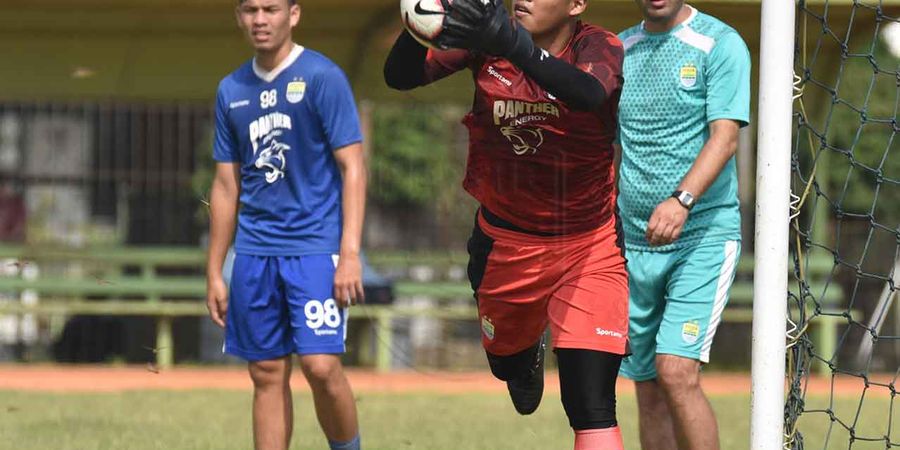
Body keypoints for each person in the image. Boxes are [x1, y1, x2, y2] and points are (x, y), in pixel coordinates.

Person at [384, 1, 628, 448]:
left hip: (589, 245)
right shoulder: (488, 38)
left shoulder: (597, 45)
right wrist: (419, 25)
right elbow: (399, 76)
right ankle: (522, 356)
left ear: (576, 5)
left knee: (592, 407)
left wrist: (512, 44)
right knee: (506, 366)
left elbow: (588, 93)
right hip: (506, 246)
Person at [205, 1, 366, 449]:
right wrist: (216, 270)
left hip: (314, 249)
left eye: (270, 8)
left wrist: (349, 253)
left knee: (320, 366)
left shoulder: (322, 77)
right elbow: (224, 185)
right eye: (250, 9)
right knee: (266, 372)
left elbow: (353, 167)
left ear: (293, 15)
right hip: (254, 254)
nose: (260, 19)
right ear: (239, 17)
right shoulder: (230, 89)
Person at [616, 0, 750, 448]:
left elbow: (725, 137)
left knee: (676, 370)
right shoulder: (618, 49)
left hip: (701, 236)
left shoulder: (720, 43)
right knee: (649, 387)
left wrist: (682, 200)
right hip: (631, 243)